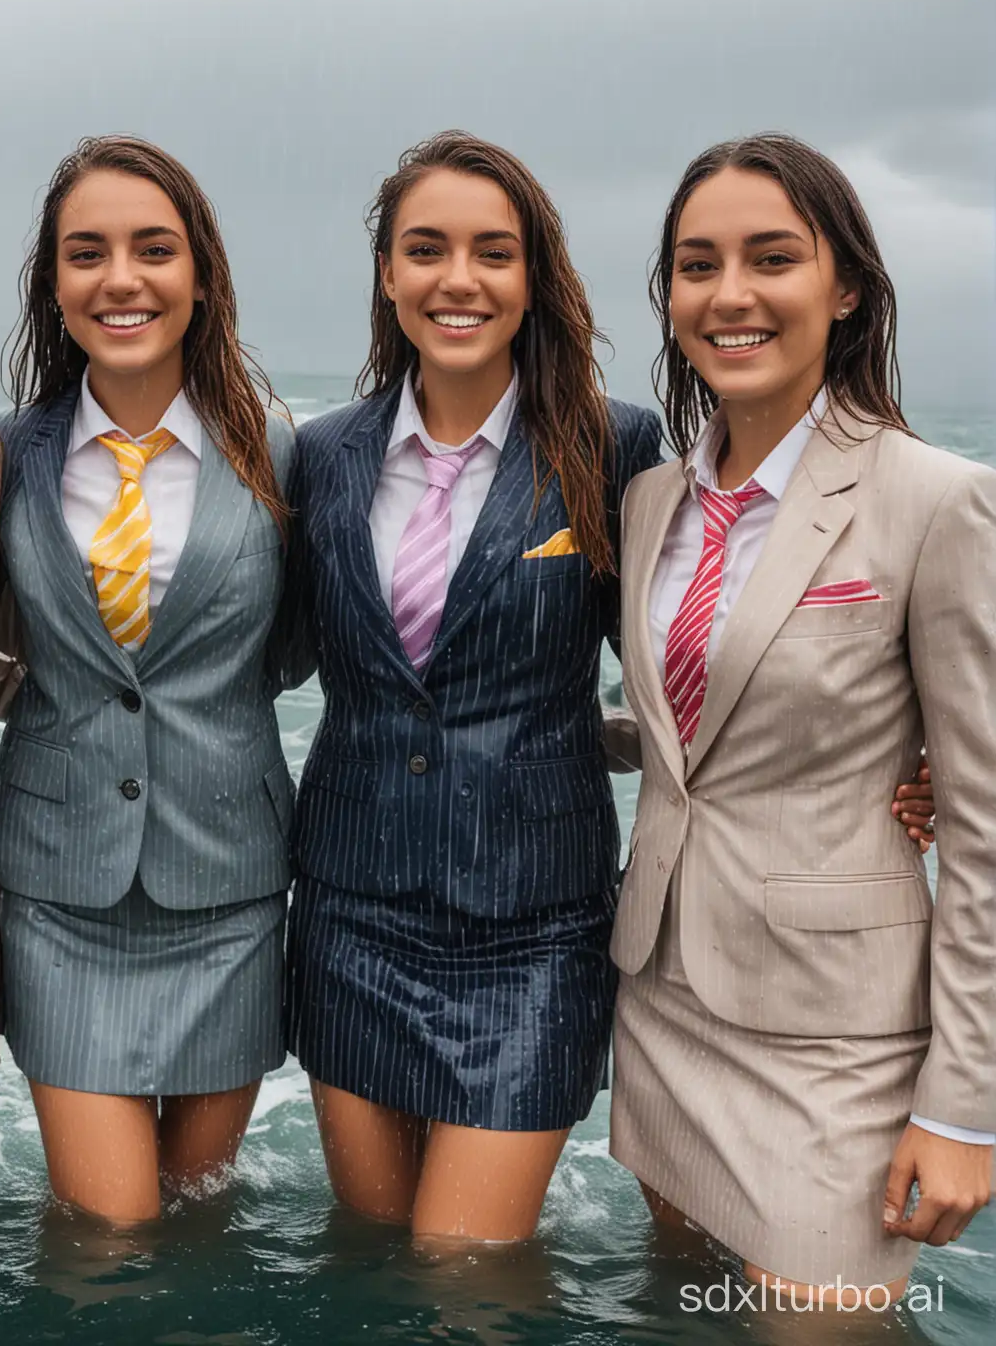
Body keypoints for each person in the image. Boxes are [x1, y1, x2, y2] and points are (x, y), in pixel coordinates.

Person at [610, 133, 993, 1299]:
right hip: (664, 995)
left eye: (772, 259)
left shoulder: (936, 500)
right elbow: (690, 737)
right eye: (696, 264)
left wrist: (965, 1103)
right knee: (681, 1314)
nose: (730, 295)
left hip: (840, 1044)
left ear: (847, 289)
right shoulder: (649, 501)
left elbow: (982, 826)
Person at [281, 131, 664, 1242]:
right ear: (388, 273)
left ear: (533, 276)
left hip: (536, 923)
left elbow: (693, 660)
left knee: (468, 1268)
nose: (460, 278)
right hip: (351, 908)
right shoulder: (323, 455)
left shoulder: (616, 449)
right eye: (427, 249)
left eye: (494, 252)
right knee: (372, 1255)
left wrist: (899, 753)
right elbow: (257, 646)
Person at [0, 135, 295, 1224]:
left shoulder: (282, 454)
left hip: (231, 888)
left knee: (202, 1219)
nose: (121, 278)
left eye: (153, 249)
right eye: (87, 253)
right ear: (54, 285)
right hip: (58, 891)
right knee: (109, 1232)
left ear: (200, 276)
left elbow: (300, 644)